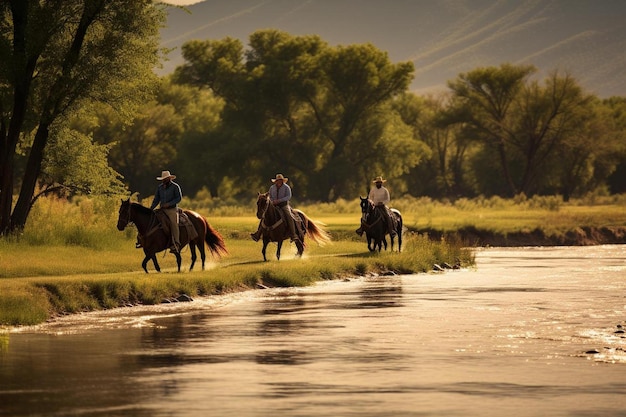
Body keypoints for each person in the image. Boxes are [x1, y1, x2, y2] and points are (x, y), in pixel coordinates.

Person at [251, 173, 299, 243]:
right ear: (276, 181)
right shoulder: (272, 188)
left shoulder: (286, 187)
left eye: (280, 180)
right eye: (278, 180)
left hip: (284, 205)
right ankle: (258, 234)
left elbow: (288, 197)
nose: (279, 181)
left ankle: (293, 234)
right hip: (274, 205)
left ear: (282, 181)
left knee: (289, 216)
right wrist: (273, 201)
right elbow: (270, 196)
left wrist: (279, 200)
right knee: (265, 216)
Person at [150, 170, 183, 253]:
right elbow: (156, 199)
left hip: (172, 209)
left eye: (165, 179)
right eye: (163, 179)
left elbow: (178, 198)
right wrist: (151, 209)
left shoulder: (175, 187)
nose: (163, 180)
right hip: (162, 209)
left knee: (173, 223)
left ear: (169, 178)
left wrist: (169, 204)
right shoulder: (160, 187)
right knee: (152, 221)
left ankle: (176, 243)